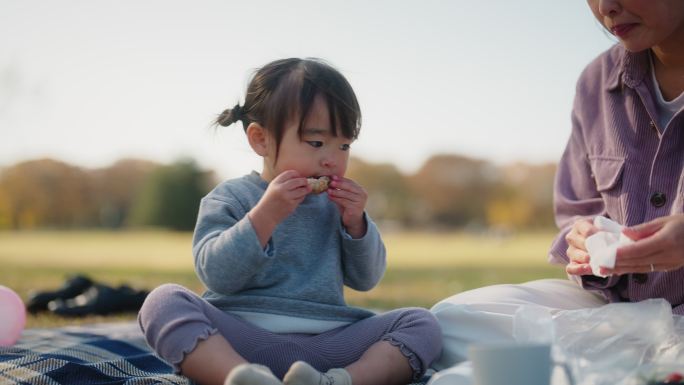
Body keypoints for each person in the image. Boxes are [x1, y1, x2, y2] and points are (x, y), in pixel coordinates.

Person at [138, 58, 442, 385]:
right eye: (316, 143)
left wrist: (357, 225)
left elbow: (367, 279)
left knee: (422, 323)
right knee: (162, 302)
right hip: (241, 336)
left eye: (344, 145)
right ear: (261, 140)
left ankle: (338, 381)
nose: (332, 159)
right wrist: (264, 217)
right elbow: (217, 275)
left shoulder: (336, 206)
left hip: (329, 338)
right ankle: (240, 378)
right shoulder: (231, 197)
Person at [430, 0, 684, 370]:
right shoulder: (596, 82)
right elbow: (577, 212)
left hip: (637, 328)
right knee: (451, 320)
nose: (606, 7)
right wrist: (583, 242)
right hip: (621, 313)